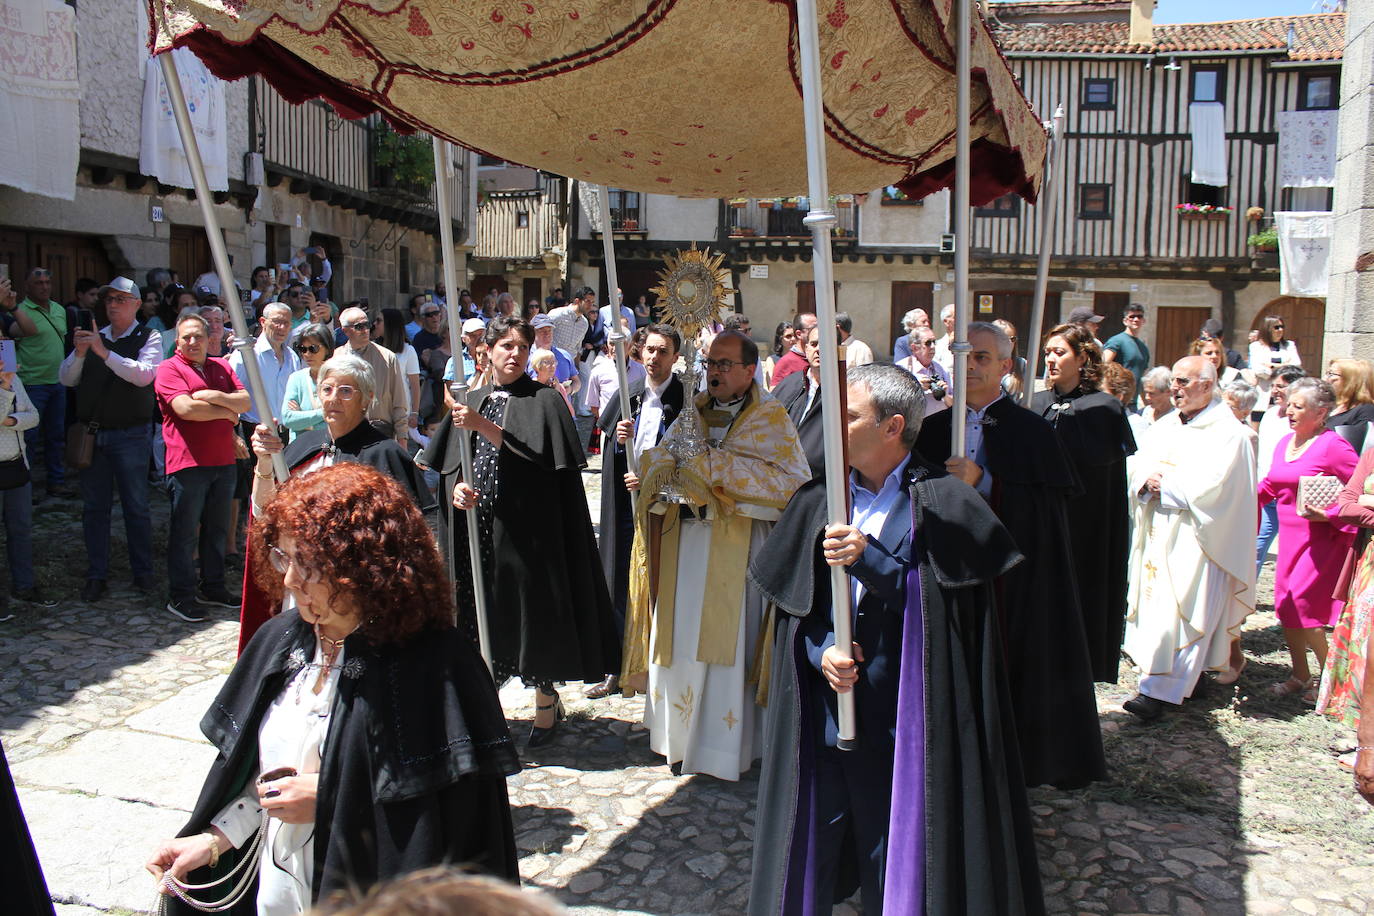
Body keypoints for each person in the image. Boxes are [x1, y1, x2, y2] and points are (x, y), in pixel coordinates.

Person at [144, 464, 519, 914]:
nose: (289, 581)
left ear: (363, 565)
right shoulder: (280, 642)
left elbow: (441, 825)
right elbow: (259, 784)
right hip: (281, 890)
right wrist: (214, 839)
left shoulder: (437, 665)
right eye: (285, 558)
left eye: (309, 564)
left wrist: (331, 799)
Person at [748, 362, 1045, 916]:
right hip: (825, 716)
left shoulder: (946, 504)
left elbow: (950, 614)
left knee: (893, 854)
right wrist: (821, 651)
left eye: (849, 414)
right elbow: (795, 605)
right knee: (813, 840)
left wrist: (872, 561)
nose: (832, 425)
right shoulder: (821, 497)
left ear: (892, 426)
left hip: (907, 724)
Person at [918, 322, 1104, 789]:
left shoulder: (1032, 432)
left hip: (1012, 579)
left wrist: (984, 482)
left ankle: (1009, 759)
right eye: (962, 357)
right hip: (945, 568)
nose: (971, 366)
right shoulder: (934, 428)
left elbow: (1048, 511)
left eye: (981, 357)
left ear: (1004, 366)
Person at [626, 330, 809, 780]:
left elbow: (791, 484)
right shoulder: (691, 415)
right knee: (683, 640)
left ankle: (726, 748)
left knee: (727, 648)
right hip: (685, 548)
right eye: (711, 363)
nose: (716, 372)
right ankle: (676, 739)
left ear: (751, 370)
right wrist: (666, 473)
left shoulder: (770, 418)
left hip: (739, 551)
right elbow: (655, 462)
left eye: (726, 365)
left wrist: (714, 468)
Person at [430, 316, 621, 747]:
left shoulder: (544, 401)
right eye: (505, 346)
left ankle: (545, 700)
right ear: (488, 351)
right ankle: (484, 703)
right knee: (481, 614)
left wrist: (482, 425)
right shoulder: (472, 398)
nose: (514, 354)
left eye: (521, 347)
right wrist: (457, 487)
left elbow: (543, 463)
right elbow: (448, 465)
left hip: (526, 532)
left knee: (531, 613)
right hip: (476, 532)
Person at [239, 353, 435, 653]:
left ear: (366, 398)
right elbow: (265, 513)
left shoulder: (385, 454)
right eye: (327, 389)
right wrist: (265, 462)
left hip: (355, 592)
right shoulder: (302, 447)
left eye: (346, 391)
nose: (334, 398)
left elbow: (413, 536)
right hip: (300, 586)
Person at [1121, 356, 1257, 720]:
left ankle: (1157, 693)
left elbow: (1219, 488)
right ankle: (1189, 680)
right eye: (1174, 382)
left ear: (1207, 385)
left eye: (1183, 382)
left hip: (1199, 535)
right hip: (1157, 526)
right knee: (1158, 608)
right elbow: (1137, 462)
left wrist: (1164, 484)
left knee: (1184, 610)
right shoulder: (1166, 425)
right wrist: (1145, 480)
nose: (1175, 389)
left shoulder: (1228, 434)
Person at [1033, 323, 1137, 682]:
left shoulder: (1103, 409)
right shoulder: (1036, 404)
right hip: (1039, 527)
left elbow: (1104, 484)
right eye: (1047, 352)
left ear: (1082, 358)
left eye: (1059, 352)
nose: (1050, 358)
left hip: (1084, 528)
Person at [59, 277, 164, 602]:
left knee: (136, 506)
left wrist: (104, 353)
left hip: (131, 435)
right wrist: (79, 353)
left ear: (135, 303)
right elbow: (66, 378)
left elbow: (145, 374)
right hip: (94, 434)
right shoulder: (94, 338)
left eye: (121, 299)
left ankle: (143, 573)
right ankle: (96, 574)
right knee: (94, 509)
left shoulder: (149, 335)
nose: (113, 305)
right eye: (109, 300)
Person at [595, 324, 686, 699]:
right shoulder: (628, 394)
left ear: (675, 357)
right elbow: (610, 453)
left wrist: (651, 480)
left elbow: (688, 457)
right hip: (625, 502)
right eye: (649, 349)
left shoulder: (684, 400)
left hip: (664, 506)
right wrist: (618, 443)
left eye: (663, 351)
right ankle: (615, 665)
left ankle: (656, 666)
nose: (654, 357)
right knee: (618, 577)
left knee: (660, 582)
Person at [1257, 377, 1359, 702]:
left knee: (1305, 608)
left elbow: (1359, 489)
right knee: (1286, 607)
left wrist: (1329, 513)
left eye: (1298, 406)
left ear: (1321, 411)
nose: (1289, 411)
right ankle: (1300, 674)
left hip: (1322, 542)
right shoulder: (1284, 443)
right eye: (1288, 404)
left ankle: (1333, 680)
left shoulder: (1333, 446)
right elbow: (1271, 486)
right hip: (1290, 540)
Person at [155, 313, 251, 622]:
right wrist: (227, 412)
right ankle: (181, 596)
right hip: (188, 463)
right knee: (185, 533)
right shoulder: (169, 368)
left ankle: (213, 586)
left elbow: (245, 402)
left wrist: (212, 396)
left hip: (223, 461)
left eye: (199, 336)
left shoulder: (220, 365)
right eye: (187, 337)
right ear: (178, 341)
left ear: (208, 336)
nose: (194, 342)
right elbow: (185, 409)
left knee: (217, 529)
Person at [1318, 444, 1374, 747]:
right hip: (1368, 567)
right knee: (1364, 645)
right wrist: (1363, 501)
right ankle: (1365, 737)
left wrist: (1369, 500)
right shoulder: (1373, 453)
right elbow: (1346, 505)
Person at [15, 268, 70, 499]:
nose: (44, 286)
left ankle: (55, 482)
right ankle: (24, 487)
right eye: (38, 283)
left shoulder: (59, 310)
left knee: (56, 436)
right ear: (27, 286)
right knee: (27, 438)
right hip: (31, 384)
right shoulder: (20, 311)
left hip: (57, 382)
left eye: (47, 282)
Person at [0, 365, 39, 619]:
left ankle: (25, 587)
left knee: (21, 530)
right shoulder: (8, 383)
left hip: (16, 466)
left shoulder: (16, 380)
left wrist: (11, 421)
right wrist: (4, 390)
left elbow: (33, 417)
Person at [771, 322, 832, 478]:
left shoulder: (846, 391)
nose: (819, 349)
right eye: (814, 344)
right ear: (806, 349)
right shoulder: (789, 384)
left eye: (825, 344)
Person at [338, 306, 407, 442]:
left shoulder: (388, 358)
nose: (365, 330)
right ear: (345, 331)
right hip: (347, 431)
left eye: (367, 325)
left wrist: (402, 439)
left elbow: (399, 402)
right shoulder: (336, 359)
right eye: (359, 327)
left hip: (380, 432)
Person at [280, 324, 336, 442]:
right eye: (302, 349)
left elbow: (343, 418)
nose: (307, 354)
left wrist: (305, 423)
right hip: (301, 451)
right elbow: (288, 419)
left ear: (327, 348)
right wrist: (324, 413)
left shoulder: (339, 378)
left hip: (331, 448)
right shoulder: (296, 378)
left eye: (313, 348)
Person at [377, 307, 422, 433]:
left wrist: (415, 412)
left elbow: (414, 385)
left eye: (379, 321)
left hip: (401, 412)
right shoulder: (374, 350)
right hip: (378, 413)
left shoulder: (408, 351)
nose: (375, 324)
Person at [1249, 315, 1302, 412]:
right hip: (1263, 394)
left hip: (1285, 395)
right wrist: (1285, 365)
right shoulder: (1256, 346)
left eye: (1282, 327)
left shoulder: (1290, 345)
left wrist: (1272, 366)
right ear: (1268, 329)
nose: (1280, 330)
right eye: (1276, 327)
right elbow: (1259, 370)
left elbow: (1296, 365)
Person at [897, 325, 953, 416]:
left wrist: (944, 395)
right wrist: (916, 387)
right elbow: (894, 403)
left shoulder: (942, 368)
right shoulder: (901, 368)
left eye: (934, 342)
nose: (933, 346)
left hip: (940, 425)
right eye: (928, 343)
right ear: (914, 348)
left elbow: (955, 404)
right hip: (914, 426)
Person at [1102, 304, 1150, 404]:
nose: (1136, 319)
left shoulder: (1144, 348)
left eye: (1139, 316)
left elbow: (1142, 378)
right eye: (1132, 316)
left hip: (1133, 403)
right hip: (1115, 400)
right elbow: (1103, 367)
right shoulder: (1117, 341)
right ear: (1125, 321)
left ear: (1143, 321)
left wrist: (1146, 403)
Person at [1325, 358, 1374, 434]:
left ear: (1351, 380)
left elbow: (1360, 443)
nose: (1325, 379)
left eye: (1331, 374)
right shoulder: (1330, 406)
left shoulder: (1366, 411)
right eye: (1327, 373)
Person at [769, 311, 816, 387]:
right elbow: (775, 394)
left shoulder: (819, 357)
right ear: (799, 334)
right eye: (812, 328)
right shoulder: (785, 362)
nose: (817, 331)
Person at [763, 321, 793, 390]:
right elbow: (772, 388)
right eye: (788, 336)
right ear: (780, 339)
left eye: (795, 335)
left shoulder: (802, 357)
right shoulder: (772, 360)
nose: (793, 339)